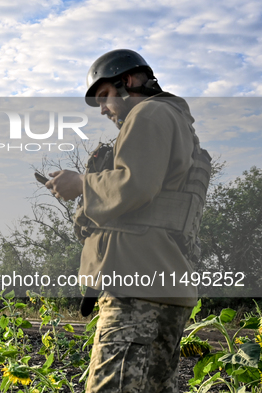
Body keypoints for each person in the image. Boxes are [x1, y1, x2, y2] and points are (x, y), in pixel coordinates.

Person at [45, 49, 210, 392]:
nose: (103, 109)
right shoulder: (172, 119)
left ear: (129, 81)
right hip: (159, 286)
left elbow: (133, 184)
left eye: (104, 96)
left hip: (138, 294)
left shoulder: (148, 113)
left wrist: (80, 184)